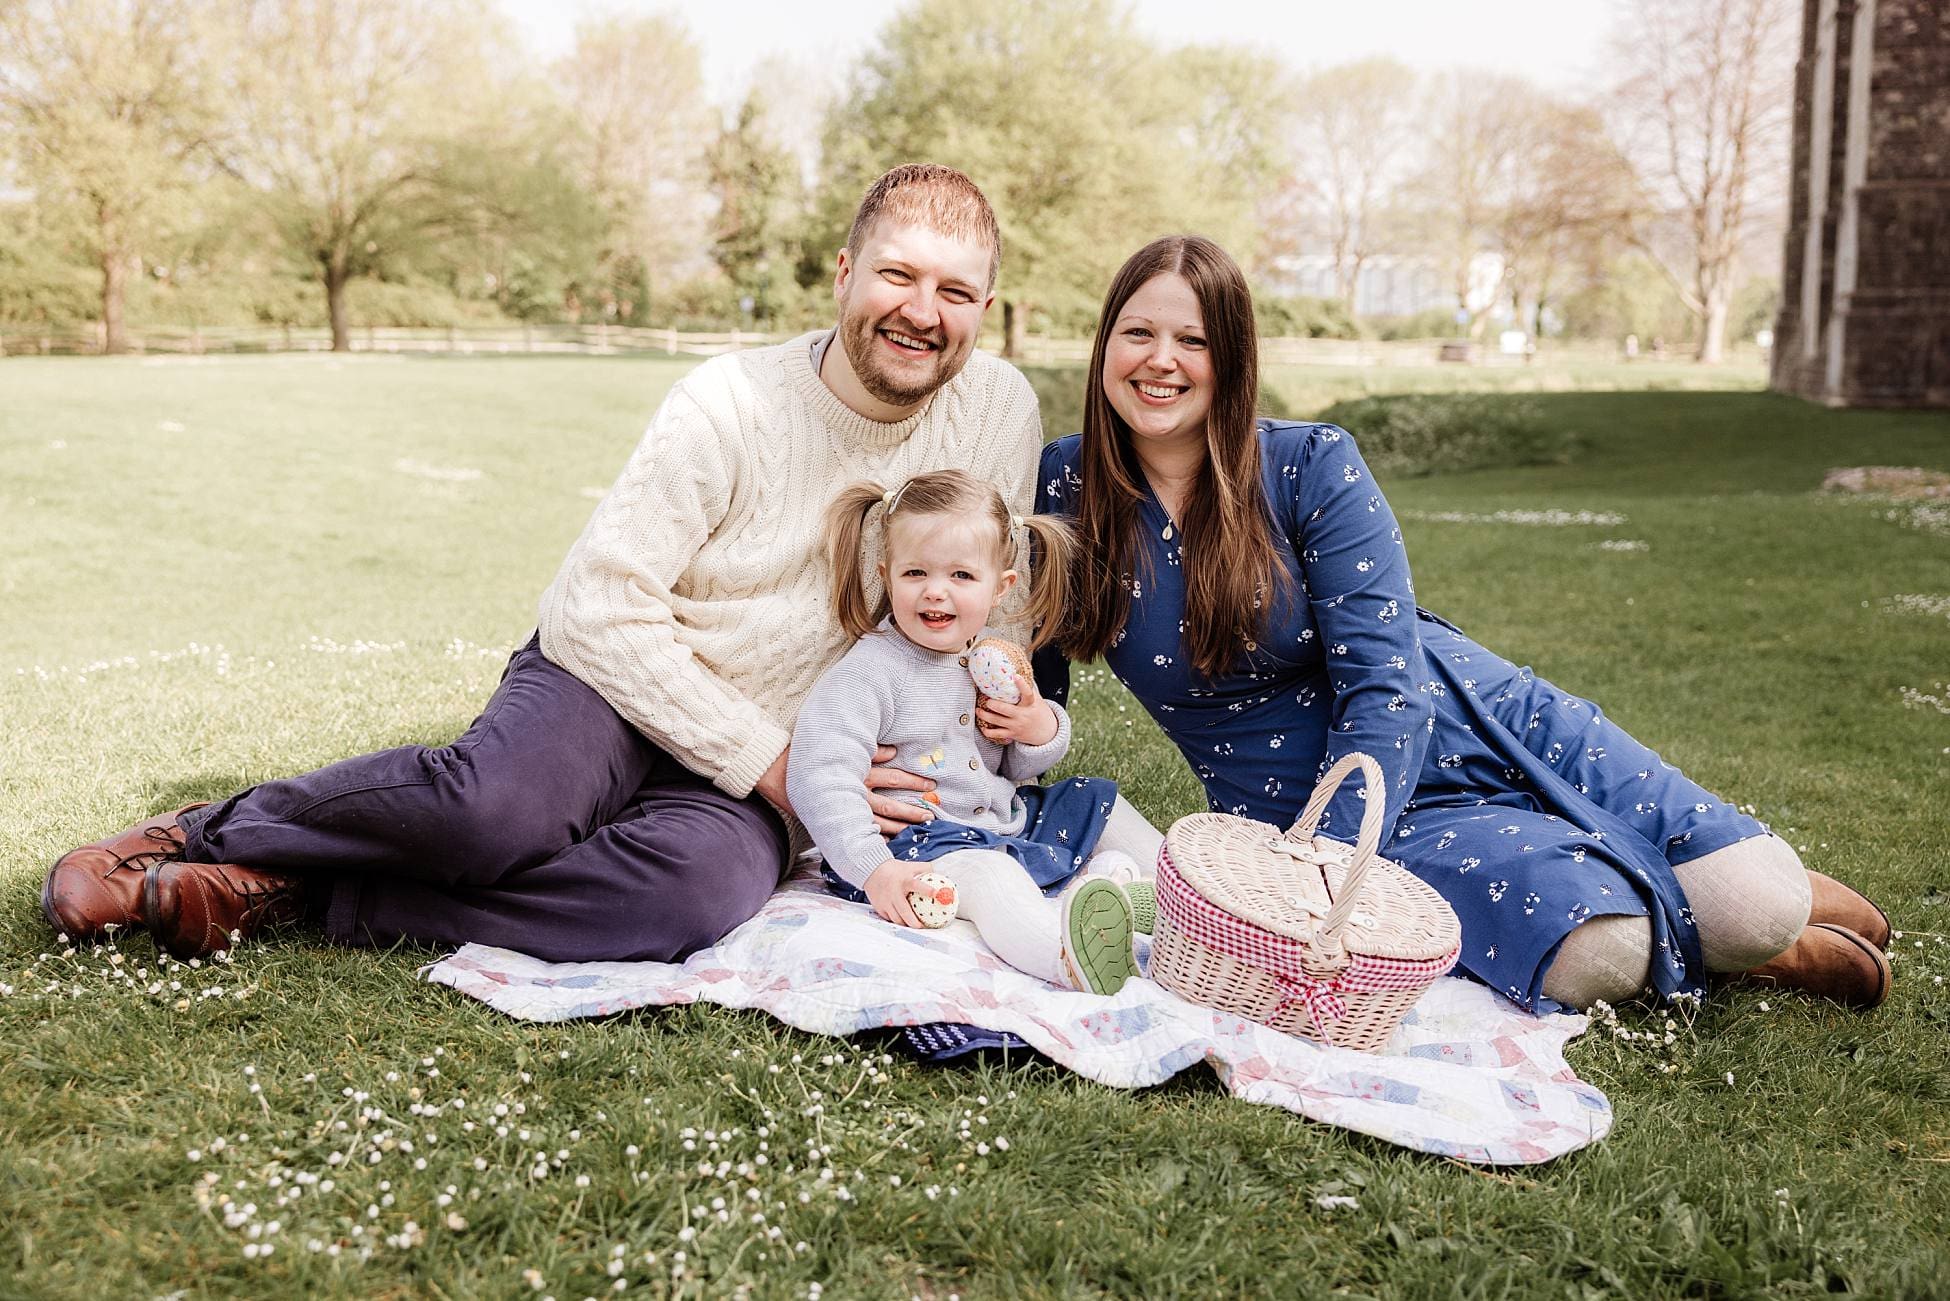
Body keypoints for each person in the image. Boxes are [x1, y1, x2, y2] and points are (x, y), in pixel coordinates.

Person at [41, 163, 1047, 966]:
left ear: (986, 305)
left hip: (761, 763)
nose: (922, 309)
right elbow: (598, 609)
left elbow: (988, 615)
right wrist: (782, 768)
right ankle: (200, 835)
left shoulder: (998, 409)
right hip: (617, 678)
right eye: (898, 275)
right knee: (494, 809)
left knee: (691, 894)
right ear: (842, 273)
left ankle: (302, 888)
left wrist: (1005, 719)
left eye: (955, 291)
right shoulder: (730, 402)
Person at [1033, 234, 1892, 1014]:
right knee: (1600, 956)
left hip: (1469, 721)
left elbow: (1386, 681)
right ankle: (1725, 938)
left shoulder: (1308, 463)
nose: (1161, 361)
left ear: (1233, 357)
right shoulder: (1067, 488)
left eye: (1193, 340)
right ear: (1105, 343)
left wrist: (1339, 860)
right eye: (1138, 334)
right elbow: (1031, 689)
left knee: (1761, 900)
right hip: (1301, 809)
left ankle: (1754, 912)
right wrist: (1003, 743)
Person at [787, 469, 1143, 995]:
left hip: (1001, 818)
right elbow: (818, 774)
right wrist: (874, 870)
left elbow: (1016, 769)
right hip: (920, 845)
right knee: (991, 879)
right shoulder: (872, 672)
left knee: (1102, 804)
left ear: (1000, 588)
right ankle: (1066, 955)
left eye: (961, 576)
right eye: (915, 574)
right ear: (887, 576)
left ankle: (1189, 896)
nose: (935, 592)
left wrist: (1035, 726)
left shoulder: (984, 660)